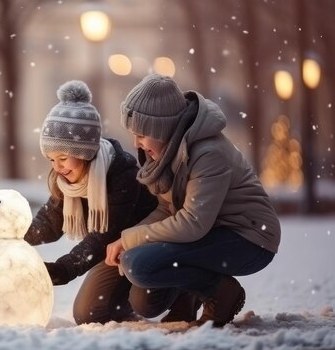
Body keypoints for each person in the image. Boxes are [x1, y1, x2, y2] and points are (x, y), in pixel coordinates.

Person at [0, 80, 197, 325]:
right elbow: (47, 225)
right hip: (113, 254)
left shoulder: (121, 174)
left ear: (85, 153)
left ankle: (187, 288)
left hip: (145, 245)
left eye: (63, 158)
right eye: (51, 159)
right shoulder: (66, 180)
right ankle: (122, 299)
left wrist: (64, 269)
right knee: (89, 314)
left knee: (148, 302)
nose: (57, 167)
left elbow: (104, 235)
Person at [105, 73, 281, 327]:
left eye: (141, 134)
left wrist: (130, 239)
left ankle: (222, 294)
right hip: (210, 232)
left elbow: (192, 223)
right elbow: (168, 208)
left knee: (139, 265)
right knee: (144, 299)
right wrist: (130, 236)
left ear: (161, 128)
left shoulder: (208, 153)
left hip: (249, 238)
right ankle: (188, 298)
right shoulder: (169, 151)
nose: (136, 143)